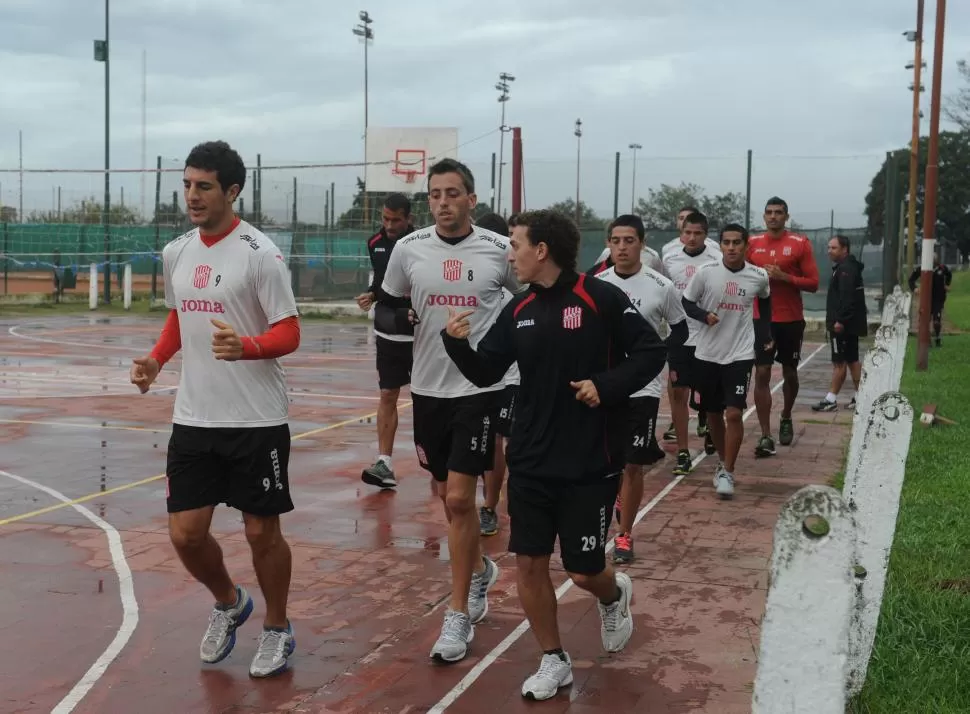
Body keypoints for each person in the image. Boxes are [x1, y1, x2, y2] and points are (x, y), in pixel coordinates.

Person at [440, 209, 667, 701]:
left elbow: (651, 352)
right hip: (530, 460)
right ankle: (553, 658)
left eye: (516, 244)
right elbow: (485, 372)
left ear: (541, 249)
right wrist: (453, 344)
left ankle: (613, 593)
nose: (510, 254)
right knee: (529, 563)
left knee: (583, 568)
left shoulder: (600, 297)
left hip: (590, 460)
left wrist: (604, 387)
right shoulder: (517, 309)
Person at [129, 140, 300, 677]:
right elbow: (181, 317)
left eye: (204, 186)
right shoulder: (176, 251)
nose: (192, 196)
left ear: (232, 190)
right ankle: (230, 603)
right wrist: (157, 360)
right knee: (185, 534)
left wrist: (246, 347)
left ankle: (276, 628)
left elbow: (290, 330)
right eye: (186, 185)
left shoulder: (260, 254)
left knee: (260, 533)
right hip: (195, 417)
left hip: (256, 420)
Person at [380, 158, 524, 663]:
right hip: (428, 389)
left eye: (452, 193)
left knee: (462, 499)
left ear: (472, 199)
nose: (442, 202)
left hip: (481, 387)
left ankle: (457, 613)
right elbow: (387, 303)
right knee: (445, 493)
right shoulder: (408, 249)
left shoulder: (500, 250)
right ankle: (480, 568)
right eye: (435, 194)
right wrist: (403, 313)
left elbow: (528, 301)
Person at [595, 214, 688, 563]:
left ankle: (624, 534)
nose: (622, 247)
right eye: (616, 240)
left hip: (644, 390)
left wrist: (658, 359)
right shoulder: (597, 285)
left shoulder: (661, 286)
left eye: (629, 240)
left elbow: (679, 329)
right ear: (608, 243)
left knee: (633, 463)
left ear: (642, 244)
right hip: (606, 387)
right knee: (606, 462)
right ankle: (606, 511)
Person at [682, 224, 772, 499]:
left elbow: (766, 301)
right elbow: (687, 302)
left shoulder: (758, 276)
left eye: (736, 243)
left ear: (746, 246)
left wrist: (765, 333)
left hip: (740, 354)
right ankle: (723, 461)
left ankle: (728, 471)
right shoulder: (705, 273)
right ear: (720, 245)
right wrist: (703, 315)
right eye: (726, 242)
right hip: (707, 353)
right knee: (712, 414)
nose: (731, 247)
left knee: (733, 412)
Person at [746, 197, 819, 456]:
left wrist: (784, 277)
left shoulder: (800, 244)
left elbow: (813, 283)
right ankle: (765, 434)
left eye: (778, 212)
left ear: (786, 217)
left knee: (790, 373)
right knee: (762, 373)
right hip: (762, 319)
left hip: (791, 319)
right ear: (764, 217)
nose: (773, 216)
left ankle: (786, 415)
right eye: (769, 212)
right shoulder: (751, 244)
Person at [356, 193, 416, 489]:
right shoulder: (374, 243)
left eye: (396, 220)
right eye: (385, 219)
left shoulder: (422, 244)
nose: (389, 225)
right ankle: (384, 463)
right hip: (387, 333)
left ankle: (439, 462)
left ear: (409, 219)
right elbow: (382, 281)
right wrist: (372, 293)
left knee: (428, 400)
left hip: (421, 336)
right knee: (388, 395)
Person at [661, 211, 722, 475]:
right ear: (681, 232)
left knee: (707, 394)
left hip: (708, 336)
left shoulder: (716, 259)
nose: (692, 237)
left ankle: (709, 425)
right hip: (679, 335)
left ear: (706, 235)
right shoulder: (669, 259)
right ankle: (683, 452)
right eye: (688, 232)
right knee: (678, 392)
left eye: (698, 233)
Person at [473, 211, 517, 537]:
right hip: (470, 374)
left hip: (508, 377)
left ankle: (490, 505)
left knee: (500, 442)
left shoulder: (513, 290)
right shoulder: (468, 281)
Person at [813, 235, 867, 412]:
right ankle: (861, 396)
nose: (829, 251)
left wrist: (840, 321)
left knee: (839, 362)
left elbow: (847, 297)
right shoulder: (848, 267)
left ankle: (831, 399)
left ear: (845, 249)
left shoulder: (845, 270)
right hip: (850, 324)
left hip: (843, 325)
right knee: (852, 360)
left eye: (833, 248)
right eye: (828, 247)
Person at [908, 251, 952, 347]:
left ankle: (937, 337)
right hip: (926, 298)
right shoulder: (923, 268)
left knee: (936, 321)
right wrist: (915, 288)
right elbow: (911, 279)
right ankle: (926, 340)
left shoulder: (942, 268)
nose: (933, 262)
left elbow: (949, 274)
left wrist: (947, 285)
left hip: (938, 299)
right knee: (924, 320)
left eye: (934, 259)